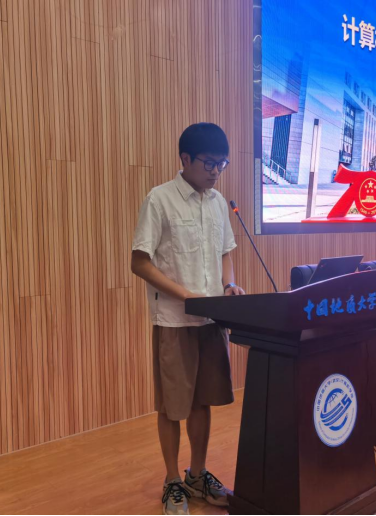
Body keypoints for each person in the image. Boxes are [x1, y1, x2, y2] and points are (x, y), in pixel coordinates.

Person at [131, 123, 245, 515]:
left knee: (203, 402)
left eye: (222, 164)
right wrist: (186, 296)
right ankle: (172, 481)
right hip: (174, 321)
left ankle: (197, 475)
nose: (215, 171)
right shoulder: (160, 199)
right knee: (172, 407)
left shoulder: (217, 202)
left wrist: (229, 285)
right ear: (185, 159)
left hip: (212, 320)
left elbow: (225, 252)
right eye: (209, 163)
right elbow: (139, 262)